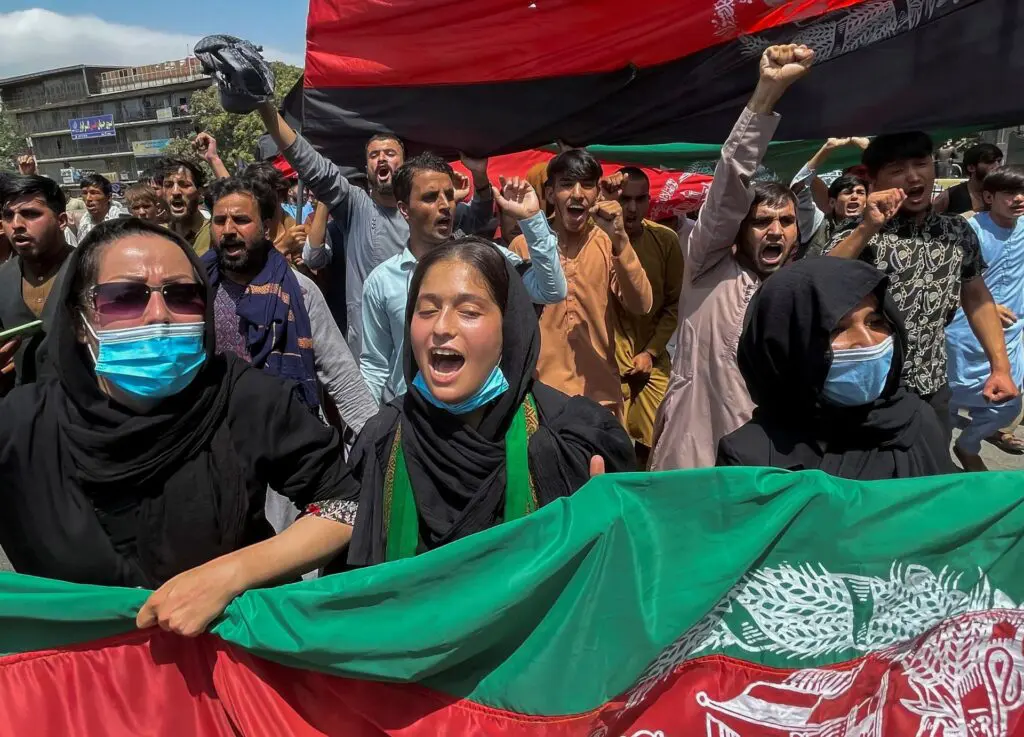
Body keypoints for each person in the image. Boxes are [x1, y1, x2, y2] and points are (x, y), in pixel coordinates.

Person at [0, 218, 360, 636]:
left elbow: (346, 505)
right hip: (82, 683)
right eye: (125, 297)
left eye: (183, 295)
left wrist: (232, 575)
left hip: (226, 673)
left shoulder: (241, 397)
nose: (160, 315)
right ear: (80, 321)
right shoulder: (20, 425)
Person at [342, 237, 634, 567]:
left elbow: (622, 577)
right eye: (427, 310)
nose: (441, 327)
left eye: (468, 311)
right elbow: (347, 590)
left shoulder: (574, 443)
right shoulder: (381, 442)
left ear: (509, 329)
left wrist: (603, 539)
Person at [650, 44, 813, 471]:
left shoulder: (796, 290)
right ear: (739, 232)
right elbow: (727, 187)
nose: (775, 230)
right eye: (762, 221)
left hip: (767, 462)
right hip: (693, 453)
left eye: (786, 221)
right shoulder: (708, 268)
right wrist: (765, 97)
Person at [824, 132, 1017, 446]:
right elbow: (821, 281)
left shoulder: (957, 231)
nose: (913, 176)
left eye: (921, 163)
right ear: (873, 179)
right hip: (866, 389)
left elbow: (977, 298)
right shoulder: (855, 230)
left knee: (929, 476)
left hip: (932, 385)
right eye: (897, 169)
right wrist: (867, 227)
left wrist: (1000, 368)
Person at [257, 102, 496, 354]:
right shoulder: (355, 207)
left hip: (429, 343)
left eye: (390, 153)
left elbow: (479, 218)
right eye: (374, 155)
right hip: (370, 354)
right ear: (366, 168)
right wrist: (264, 106)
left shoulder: (430, 208)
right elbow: (310, 164)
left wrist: (479, 176)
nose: (382, 158)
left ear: (405, 166)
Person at [718, 257, 953, 478]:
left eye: (875, 322)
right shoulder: (750, 459)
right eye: (837, 329)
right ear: (788, 347)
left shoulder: (916, 421)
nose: (868, 342)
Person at [360, 155, 566, 403]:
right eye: (430, 197)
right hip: (414, 422)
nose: (444, 205)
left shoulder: (488, 259)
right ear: (404, 209)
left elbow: (551, 290)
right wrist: (369, 430)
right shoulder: (382, 281)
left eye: (449, 195)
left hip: (484, 418)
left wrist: (532, 219)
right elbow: (375, 365)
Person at [203, 176, 377, 431]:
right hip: (216, 439)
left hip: (288, 437)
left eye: (241, 220)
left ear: (266, 228)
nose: (228, 230)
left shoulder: (300, 292)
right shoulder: (195, 290)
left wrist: (380, 446)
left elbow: (343, 379)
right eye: (219, 221)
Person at [509, 150, 653, 418]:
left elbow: (642, 305)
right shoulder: (524, 245)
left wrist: (621, 241)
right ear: (551, 194)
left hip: (600, 398)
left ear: (597, 194)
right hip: (539, 398)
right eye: (566, 184)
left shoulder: (608, 240)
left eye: (587, 185)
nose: (577, 193)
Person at [946, 166, 1024, 470]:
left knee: (1007, 404)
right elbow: (947, 279)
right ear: (989, 196)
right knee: (949, 399)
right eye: (1009, 193)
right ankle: (936, 460)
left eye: (1022, 192)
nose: (1018, 199)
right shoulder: (968, 230)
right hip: (964, 332)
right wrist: (987, 307)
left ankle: (967, 445)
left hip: (1013, 333)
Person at [609, 166, 684, 466]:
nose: (631, 208)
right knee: (605, 446)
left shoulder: (664, 240)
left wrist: (651, 352)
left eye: (640, 200)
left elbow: (674, 304)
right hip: (606, 363)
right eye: (624, 199)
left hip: (651, 358)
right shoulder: (596, 241)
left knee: (659, 441)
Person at [0, 175, 75, 391]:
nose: (16, 225)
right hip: (24, 411)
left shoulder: (93, 270)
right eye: (8, 216)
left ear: (61, 221)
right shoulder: (3, 278)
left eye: (30, 214)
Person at [790, 137, 870, 258]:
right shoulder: (815, 225)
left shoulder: (876, 225)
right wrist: (827, 148)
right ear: (832, 202)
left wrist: (870, 150)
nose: (854, 196)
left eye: (860, 193)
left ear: (866, 202)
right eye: (847, 193)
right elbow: (798, 190)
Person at [239, 162, 308, 265]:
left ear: (280, 194)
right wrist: (283, 247)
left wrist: (306, 263)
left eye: (262, 195)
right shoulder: (243, 234)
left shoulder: (299, 232)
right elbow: (247, 274)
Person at [156, 158, 211, 255]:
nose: (175, 192)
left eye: (185, 185)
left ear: (200, 191)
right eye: (168, 185)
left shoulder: (212, 234)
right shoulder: (158, 236)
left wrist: (214, 159)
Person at [935, 142, 1003, 216]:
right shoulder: (948, 197)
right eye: (990, 162)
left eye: (999, 161)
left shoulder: (1004, 195)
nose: (997, 166)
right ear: (971, 168)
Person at [77, 174, 128, 240]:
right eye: (84, 193)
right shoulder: (84, 222)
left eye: (94, 193)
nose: (88, 198)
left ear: (108, 197)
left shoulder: (121, 220)